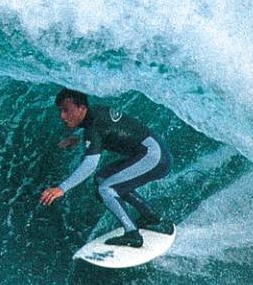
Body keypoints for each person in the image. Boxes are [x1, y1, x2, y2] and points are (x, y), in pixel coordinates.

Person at [39, 88, 172, 248]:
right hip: (156, 152)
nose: (62, 116)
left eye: (66, 110)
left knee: (106, 188)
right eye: (60, 111)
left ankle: (132, 234)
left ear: (81, 108)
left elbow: (90, 165)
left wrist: (61, 188)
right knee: (103, 179)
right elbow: (106, 128)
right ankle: (151, 217)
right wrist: (78, 137)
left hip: (153, 158)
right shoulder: (95, 113)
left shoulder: (93, 128)